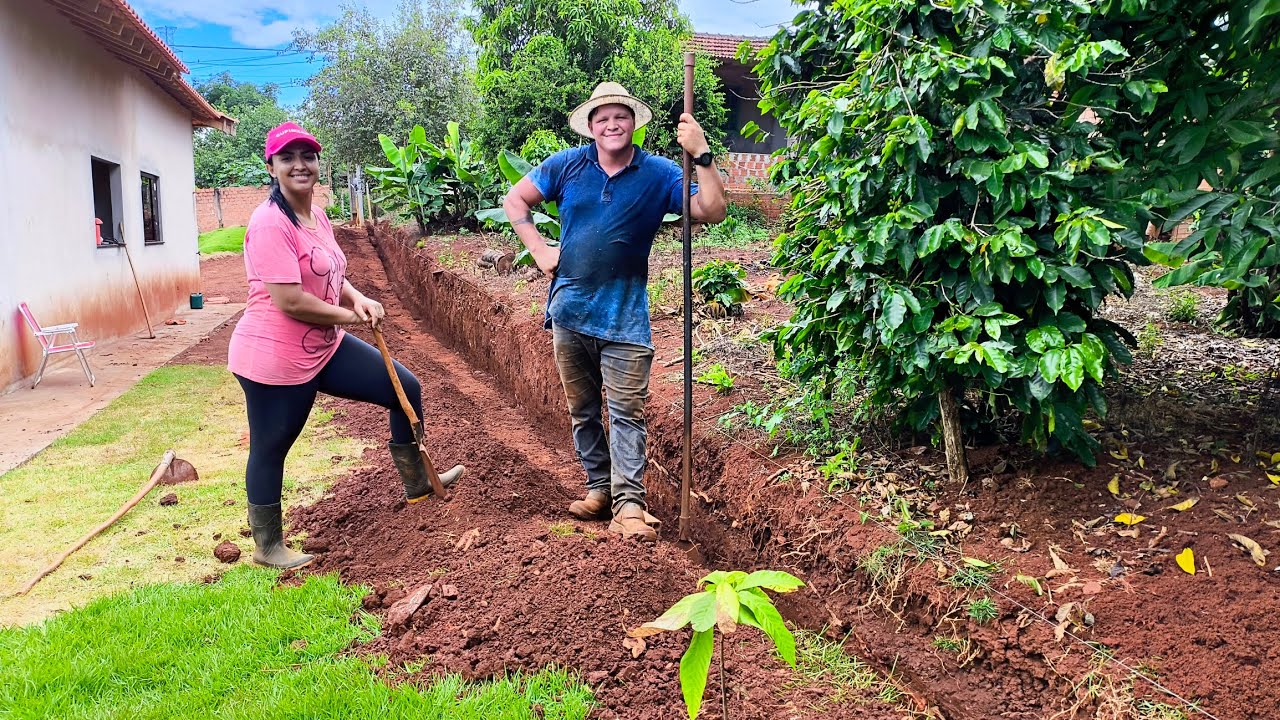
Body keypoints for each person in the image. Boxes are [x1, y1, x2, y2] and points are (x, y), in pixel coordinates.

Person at [228, 121, 464, 569]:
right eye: (287, 158)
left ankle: (417, 482)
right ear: (272, 167)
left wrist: (358, 297)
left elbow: (331, 274)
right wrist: (353, 317)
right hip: (275, 356)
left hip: (323, 347)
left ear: (319, 164)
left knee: (404, 388)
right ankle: (268, 546)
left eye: (307, 156)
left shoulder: (316, 216)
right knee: (272, 445)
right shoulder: (268, 224)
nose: (300, 165)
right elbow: (291, 300)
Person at [503, 82, 727, 542]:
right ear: (590, 126)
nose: (611, 124)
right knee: (582, 410)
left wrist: (702, 155)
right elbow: (515, 200)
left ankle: (629, 505)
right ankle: (599, 488)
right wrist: (539, 248)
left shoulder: (660, 173)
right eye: (602, 118)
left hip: (625, 317)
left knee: (626, 412)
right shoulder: (566, 165)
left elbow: (713, 210)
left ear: (633, 123)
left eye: (620, 116)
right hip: (569, 311)